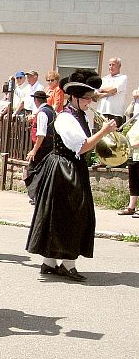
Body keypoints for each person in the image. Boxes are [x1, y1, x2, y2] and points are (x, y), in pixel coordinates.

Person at [26, 70, 117, 281]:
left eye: (90, 97)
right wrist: (103, 132)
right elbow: (82, 146)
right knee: (71, 214)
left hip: (71, 168)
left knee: (61, 215)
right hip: (63, 171)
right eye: (86, 98)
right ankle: (67, 265)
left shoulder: (80, 114)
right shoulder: (66, 118)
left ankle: (49, 262)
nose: (89, 101)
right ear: (74, 97)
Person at [25, 91, 56, 203]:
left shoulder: (42, 113)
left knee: (32, 171)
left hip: (42, 147)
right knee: (44, 172)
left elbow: (41, 134)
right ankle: (40, 196)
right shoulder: (52, 111)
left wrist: (34, 150)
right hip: (50, 146)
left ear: (36, 100)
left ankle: (36, 196)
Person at [118, 88, 139, 216]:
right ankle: (131, 207)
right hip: (133, 154)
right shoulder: (135, 123)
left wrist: (129, 145)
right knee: (133, 181)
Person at [96, 57, 128, 128]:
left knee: (112, 138)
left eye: (113, 65)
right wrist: (107, 93)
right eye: (109, 65)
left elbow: (113, 89)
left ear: (119, 66)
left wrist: (101, 90)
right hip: (100, 112)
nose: (110, 67)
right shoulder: (104, 79)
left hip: (114, 113)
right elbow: (96, 95)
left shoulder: (123, 78)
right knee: (98, 136)